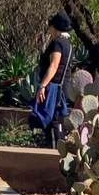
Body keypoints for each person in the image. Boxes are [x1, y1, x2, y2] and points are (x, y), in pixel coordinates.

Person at [29, 12, 74, 148]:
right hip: (61, 85)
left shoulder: (57, 43)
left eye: (50, 27)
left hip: (53, 86)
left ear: (54, 28)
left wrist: (43, 85)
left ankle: (55, 151)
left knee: (51, 120)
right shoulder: (68, 44)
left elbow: (54, 65)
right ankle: (56, 148)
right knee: (52, 119)